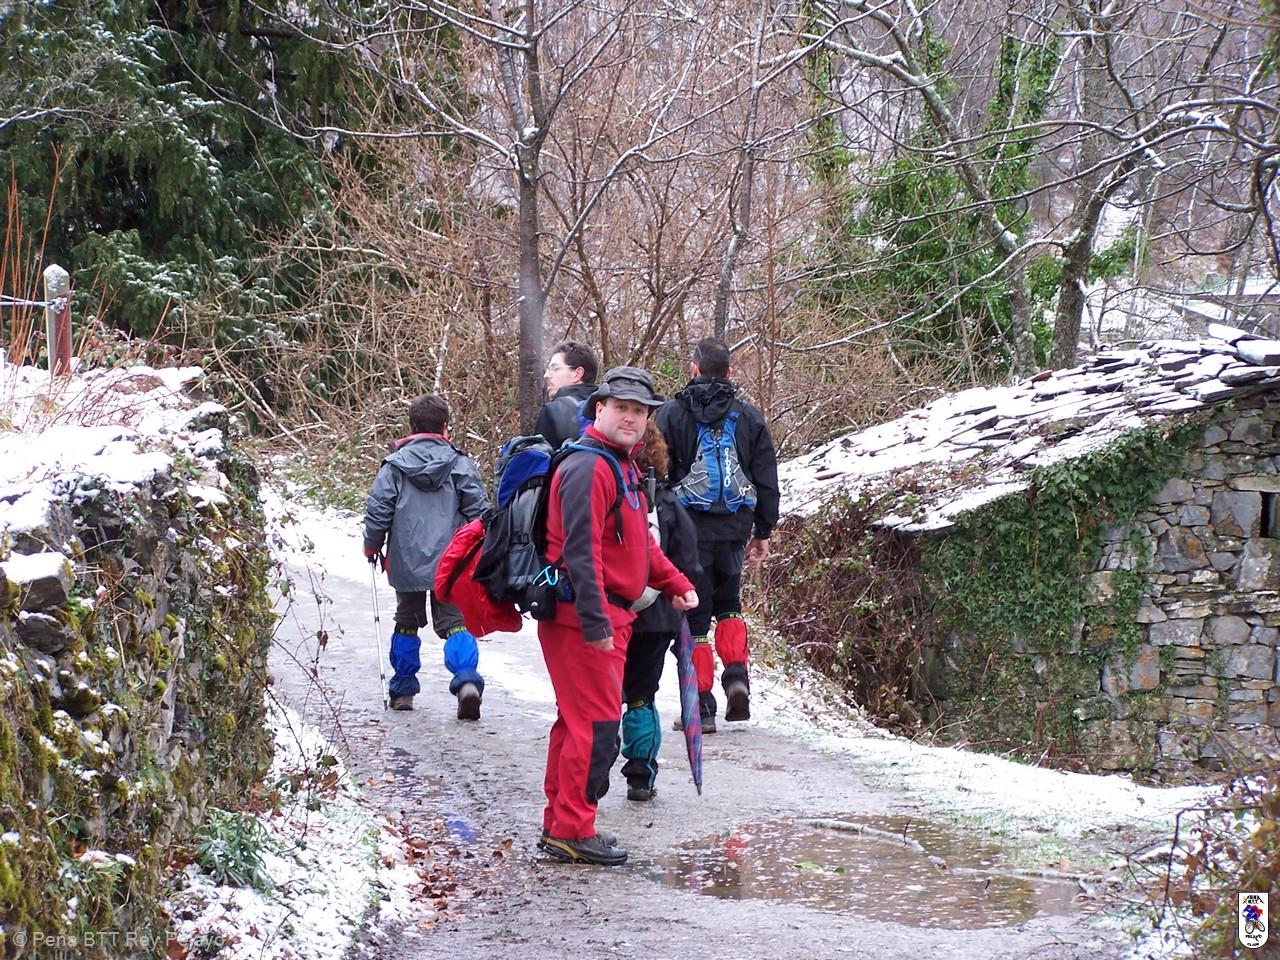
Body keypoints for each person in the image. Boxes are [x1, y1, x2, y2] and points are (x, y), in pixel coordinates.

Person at [536, 366, 698, 866]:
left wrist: (676, 583)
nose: (630, 418)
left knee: (576, 723)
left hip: (607, 614)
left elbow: (640, 544)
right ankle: (573, 829)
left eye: (639, 411)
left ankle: (561, 824)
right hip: (584, 617)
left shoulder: (621, 465)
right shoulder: (590, 467)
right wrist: (595, 623)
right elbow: (580, 551)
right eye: (621, 408)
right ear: (599, 409)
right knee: (597, 726)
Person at [655, 337, 779, 731]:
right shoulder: (748, 416)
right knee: (729, 603)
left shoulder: (671, 414)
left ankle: (702, 708)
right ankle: (737, 677)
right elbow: (766, 476)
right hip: (734, 528)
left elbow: (654, 472)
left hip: (687, 529)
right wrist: (763, 529)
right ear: (729, 373)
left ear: (693, 369)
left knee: (694, 616)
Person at [363, 394, 490, 717]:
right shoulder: (460, 464)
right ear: (445, 427)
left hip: (405, 560)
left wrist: (372, 545)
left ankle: (403, 690)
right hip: (452, 560)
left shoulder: (394, 466)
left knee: (406, 621)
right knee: (455, 621)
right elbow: (479, 513)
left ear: (411, 426)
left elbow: (378, 510)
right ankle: (466, 680)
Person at [620, 418, 701, 801]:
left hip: (608, 611)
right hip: (655, 619)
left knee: (602, 694)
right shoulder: (667, 503)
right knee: (641, 694)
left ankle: (594, 763)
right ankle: (640, 775)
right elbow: (688, 562)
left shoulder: (611, 493)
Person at [534, 340, 598, 450]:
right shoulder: (607, 407)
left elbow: (540, 459)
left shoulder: (552, 412)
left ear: (577, 373)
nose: (546, 375)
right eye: (548, 370)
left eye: (555, 368)